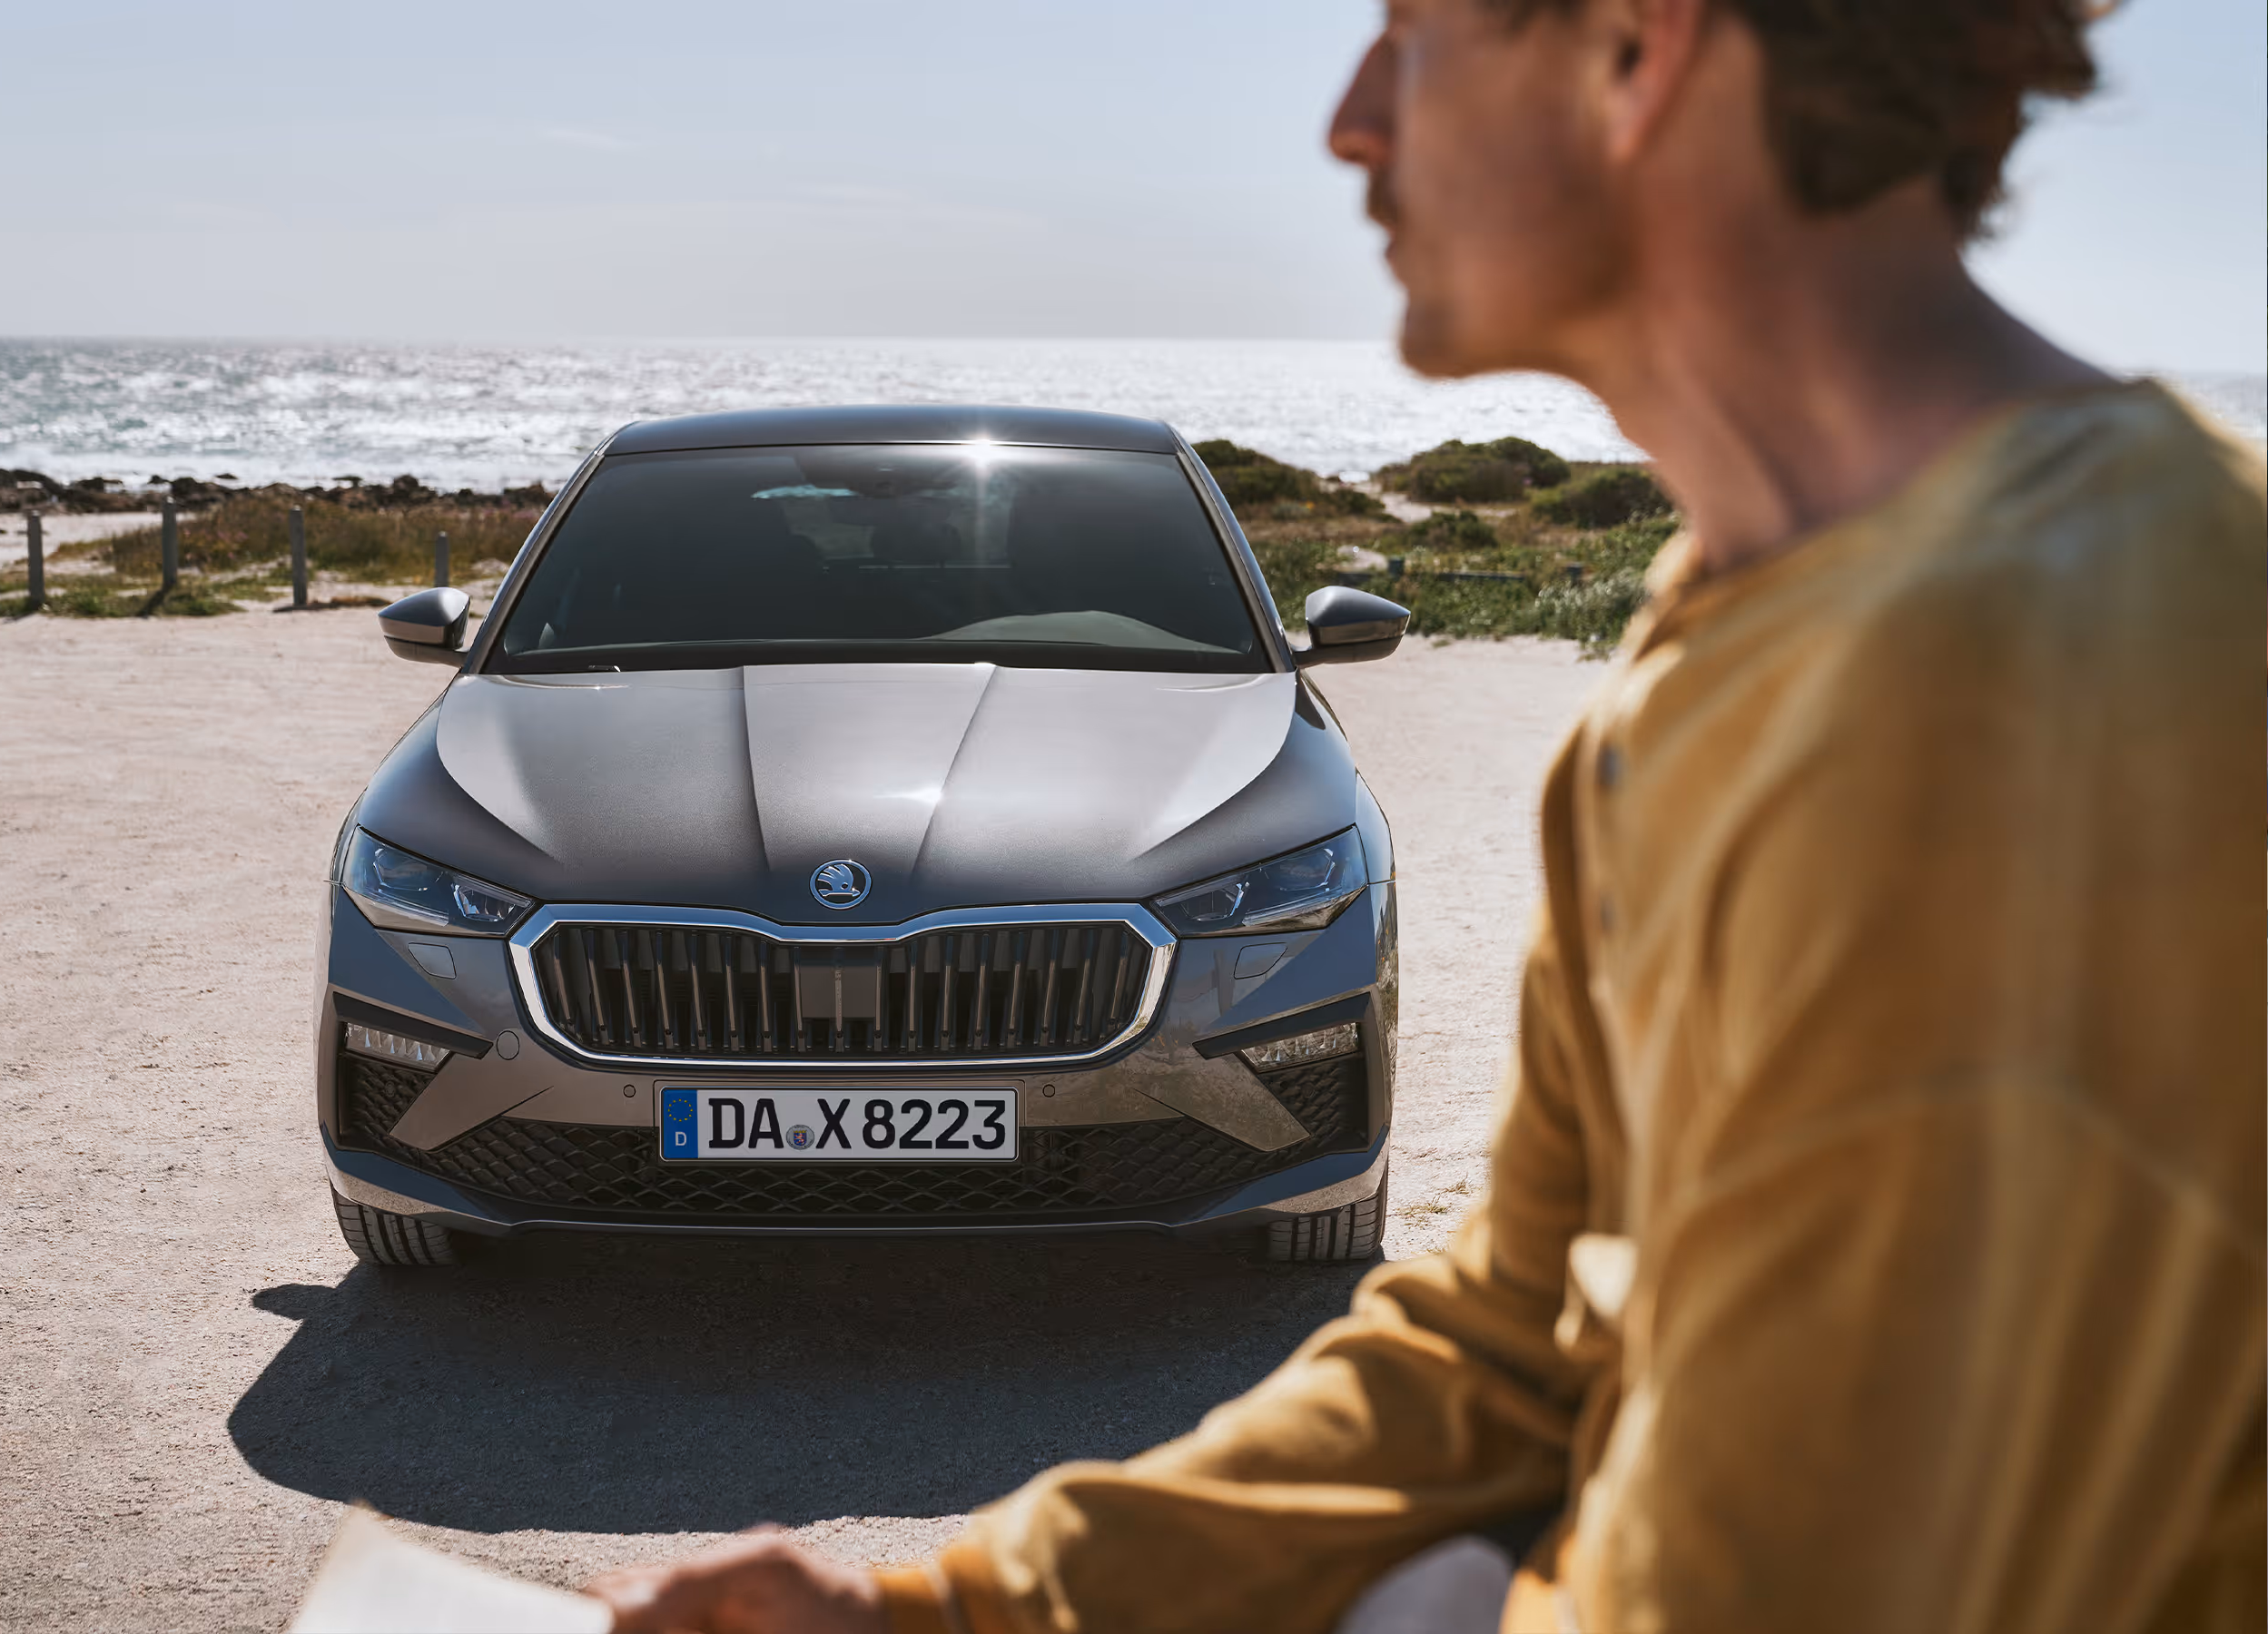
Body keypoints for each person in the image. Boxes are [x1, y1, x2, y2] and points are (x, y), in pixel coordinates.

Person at [591, 0, 2265, 1628]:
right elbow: (1513, 1339)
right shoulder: (1730, 632)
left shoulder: (2019, 674)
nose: (1353, 119)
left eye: (1417, 29)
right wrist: (949, 1616)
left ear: (1639, 47)